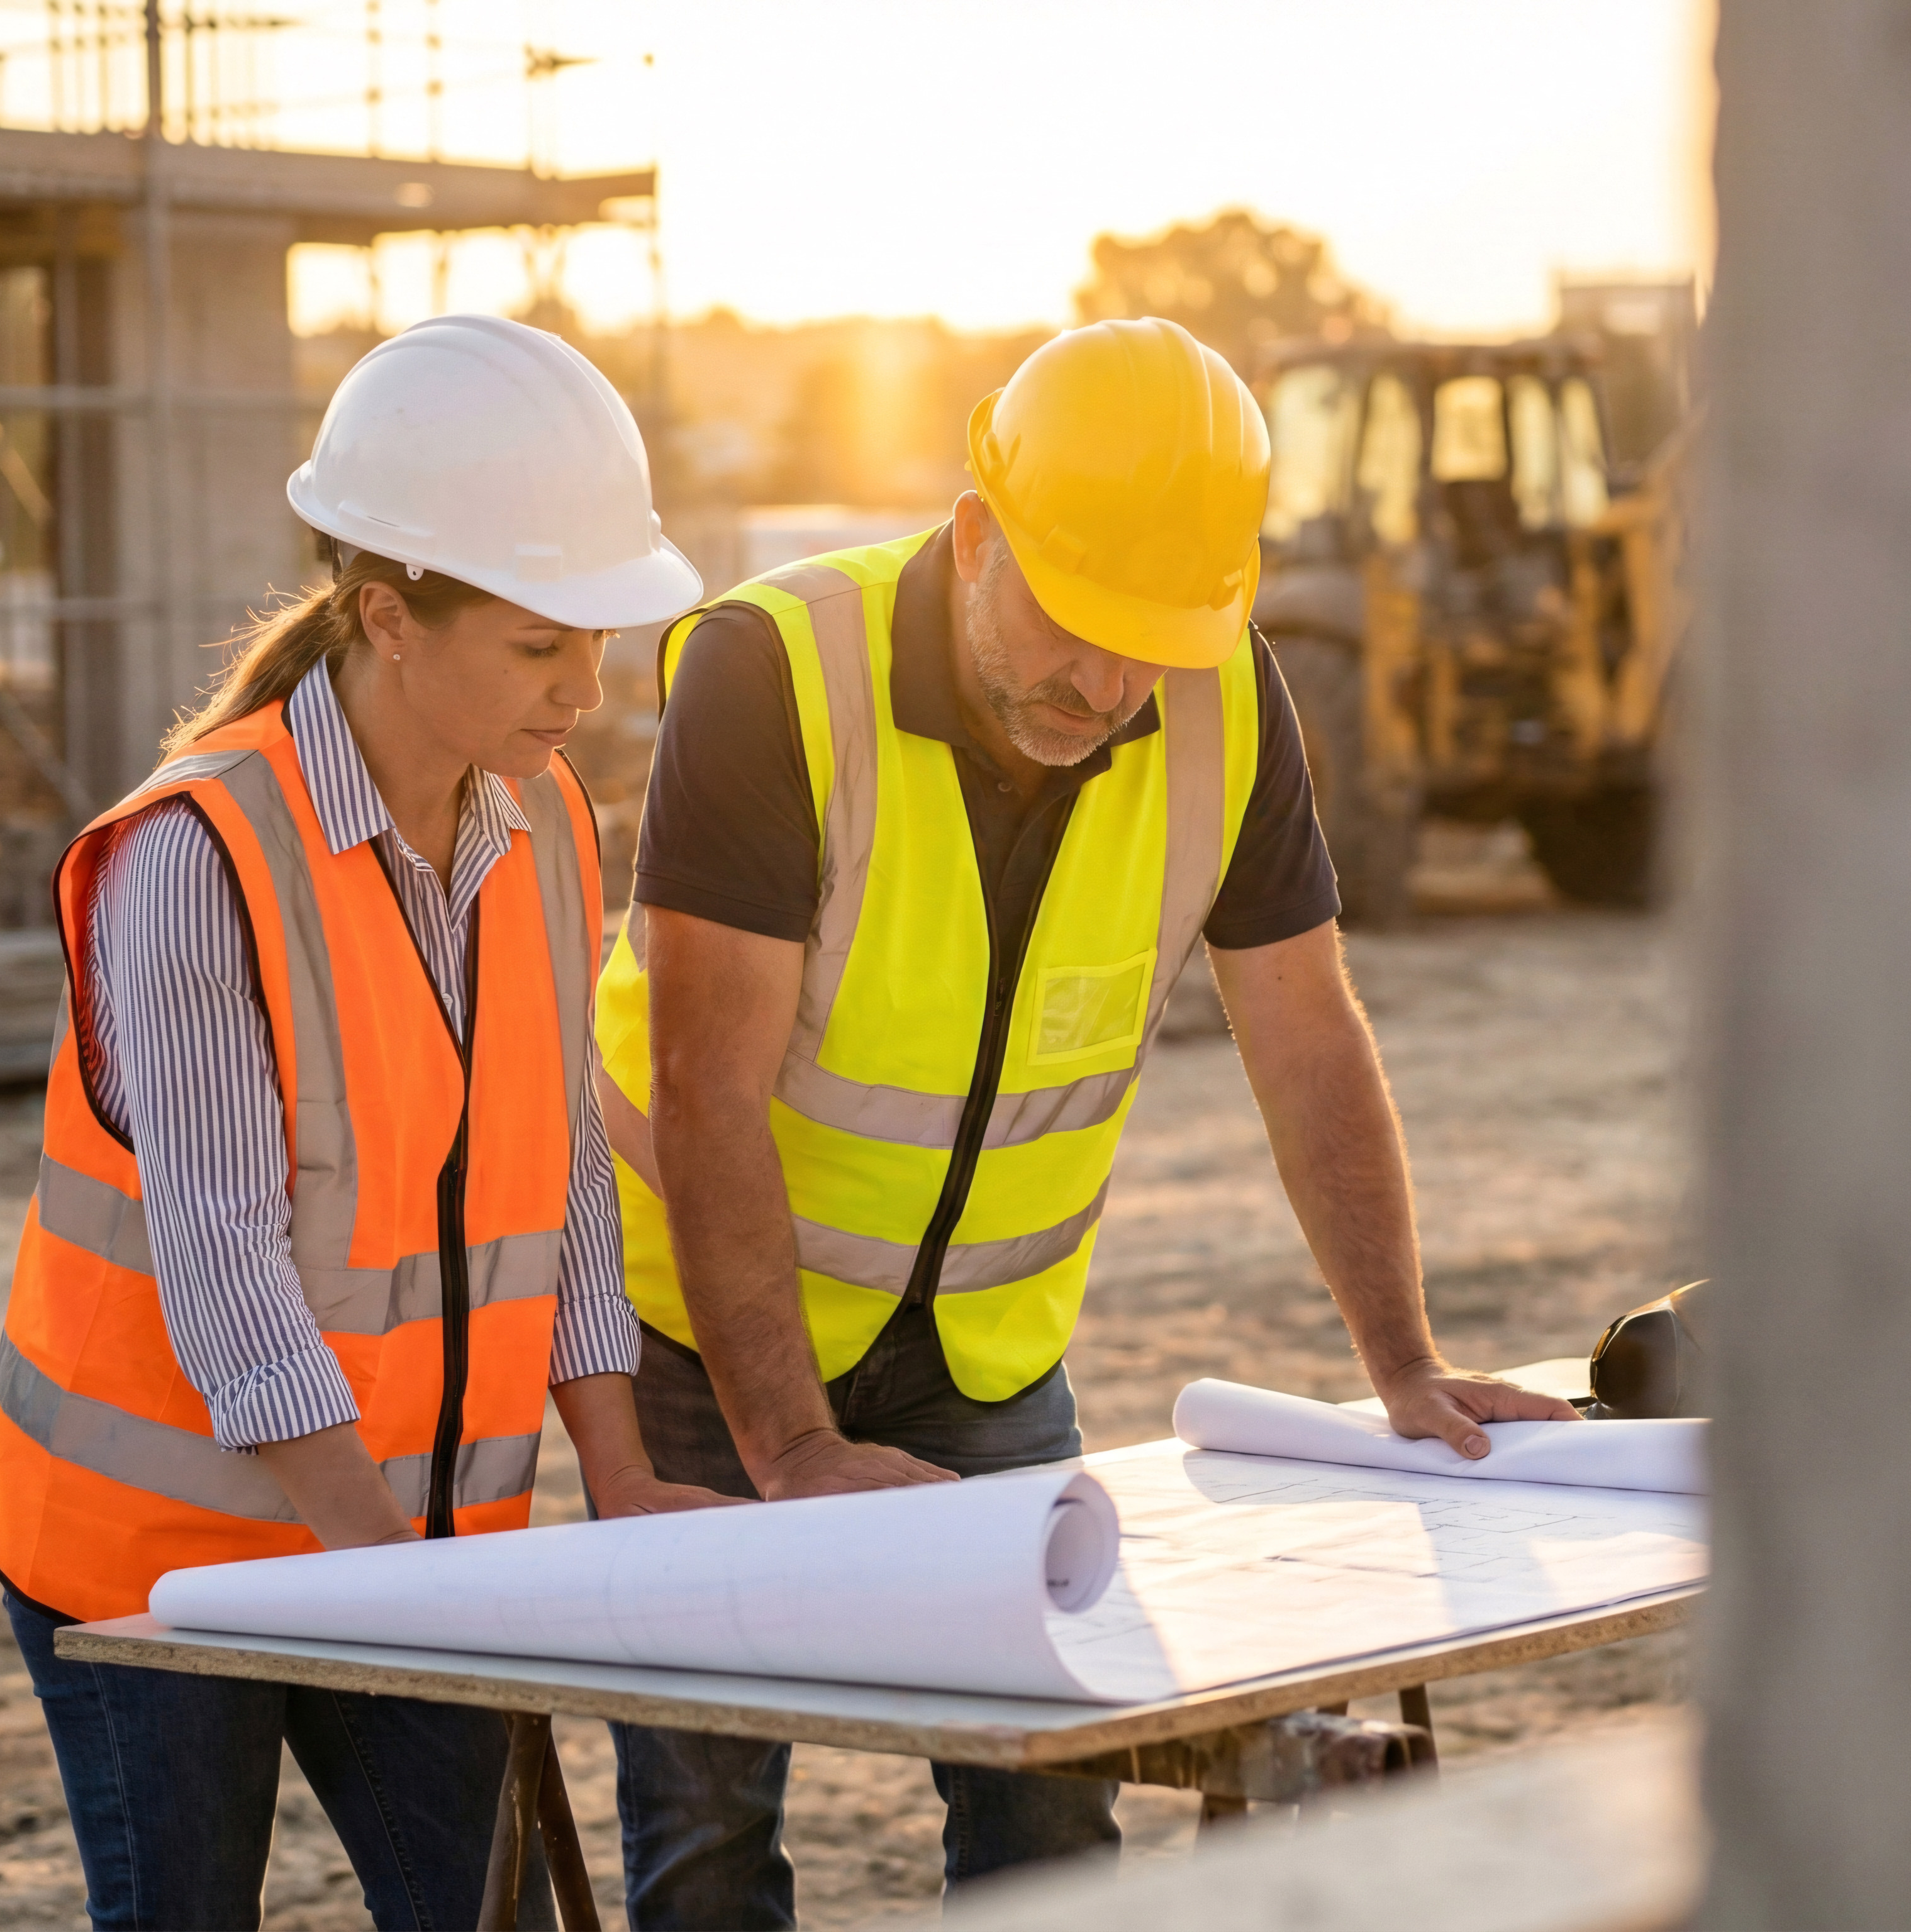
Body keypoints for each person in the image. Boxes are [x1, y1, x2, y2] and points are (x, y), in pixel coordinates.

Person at [592, 316, 1580, 1925]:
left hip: (987, 1353)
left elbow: (1308, 1036)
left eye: (1154, 642)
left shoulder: (1228, 701)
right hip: (707, 1345)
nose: (1111, 687)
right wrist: (791, 1447)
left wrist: (1398, 1361)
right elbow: (710, 1089)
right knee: (707, 1843)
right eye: (1077, 625)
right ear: (977, 536)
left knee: (1050, 1822)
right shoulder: (772, 670)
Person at [0, 314, 735, 1930]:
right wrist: (384, 1574)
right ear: (389, 618)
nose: (589, 692)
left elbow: (566, 1175)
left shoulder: (544, 832)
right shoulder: (196, 860)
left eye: (598, 642)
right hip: (154, 1561)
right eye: (544, 647)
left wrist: (616, 1463)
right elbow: (224, 1270)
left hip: (411, 1543)